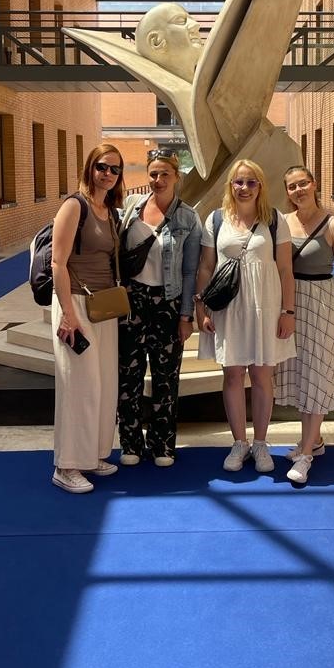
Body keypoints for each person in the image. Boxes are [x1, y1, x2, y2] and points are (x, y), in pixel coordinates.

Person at [195, 159, 296, 473]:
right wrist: (200, 308)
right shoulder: (216, 220)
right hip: (229, 309)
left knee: (262, 376)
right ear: (230, 185)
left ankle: (261, 443)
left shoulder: (275, 219)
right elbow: (206, 267)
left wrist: (288, 311)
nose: (244, 188)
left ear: (260, 186)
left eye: (251, 182)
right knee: (233, 375)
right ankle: (239, 442)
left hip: (265, 307)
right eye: (238, 182)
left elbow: (285, 270)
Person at [117, 147, 202, 467]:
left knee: (166, 378)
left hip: (168, 303)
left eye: (165, 173)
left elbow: (190, 271)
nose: (158, 179)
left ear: (177, 176)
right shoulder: (132, 207)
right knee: (129, 376)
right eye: (153, 173)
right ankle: (130, 443)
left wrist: (186, 315)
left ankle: (163, 444)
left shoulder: (188, 217)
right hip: (132, 303)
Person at [50, 143, 126, 493]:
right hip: (76, 305)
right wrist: (68, 314)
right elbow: (58, 262)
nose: (107, 174)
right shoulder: (74, 205)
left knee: (103, 384)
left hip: (102, 305)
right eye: (102, 167)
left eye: (114, 169)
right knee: (79, 386)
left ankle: (92, 455)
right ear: (90, 168)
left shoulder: (109, 210)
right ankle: (66, 465)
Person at [276, 166, 334, 484]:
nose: (298, 190)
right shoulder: (283, 222)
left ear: (314, 184)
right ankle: (314, 440)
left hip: (322, 302)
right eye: (292, 186)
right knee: (301, 372)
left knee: (317, 371)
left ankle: (306, 453)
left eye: (303, 183)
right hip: (290, 301)